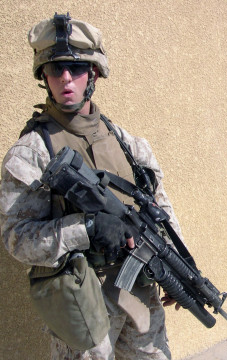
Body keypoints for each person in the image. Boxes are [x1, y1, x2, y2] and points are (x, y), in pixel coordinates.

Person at [0, 13, 182, 359]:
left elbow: (162, 209)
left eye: (76, 68)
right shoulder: (32, 153)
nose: (66, 78)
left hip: (140, 294)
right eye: (55, 69)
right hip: (82, 304)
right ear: (44, 77)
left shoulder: (127, 143)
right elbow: (15, 238)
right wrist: (85, 228)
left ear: (94, 74)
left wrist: (176, 267)